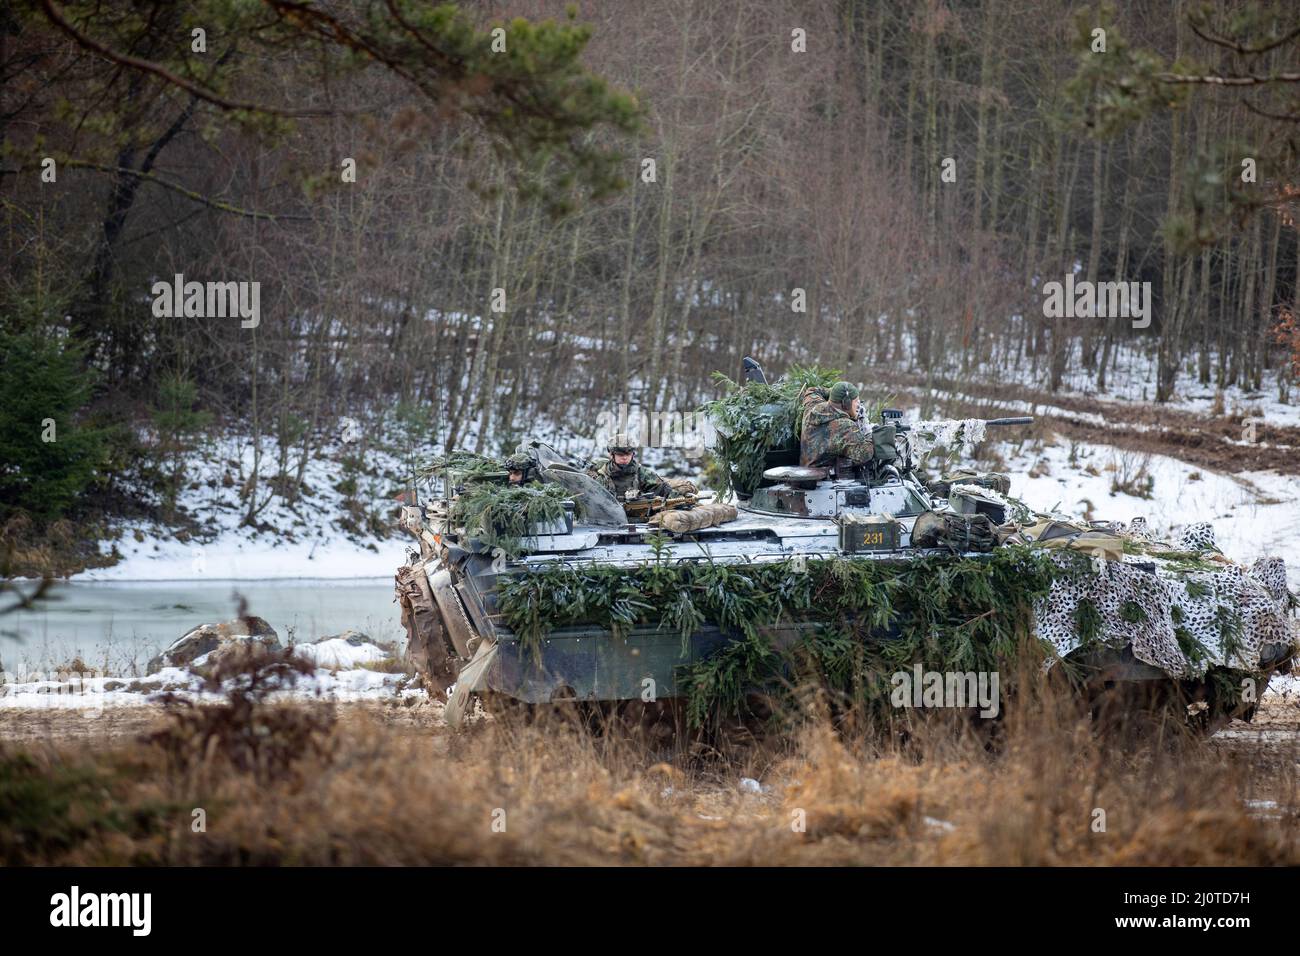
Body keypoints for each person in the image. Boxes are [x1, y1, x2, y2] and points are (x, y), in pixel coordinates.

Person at [799, 381, 874, 468]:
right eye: (856, 401)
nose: (859, 405)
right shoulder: (844, 426)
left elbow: (812, 391)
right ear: (846, 403)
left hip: (805, 470)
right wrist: (868, 431)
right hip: (823, 478)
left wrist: (837, 392)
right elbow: (865, 454)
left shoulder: (812, 407)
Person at [586, 433, 674, 499]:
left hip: (637, 518)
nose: (624, 458)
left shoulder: (641, 473)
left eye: (628, 454)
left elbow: (664, 490)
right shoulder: (601, 475)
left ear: (633, 454)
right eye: (620, 454)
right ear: (611, 455)